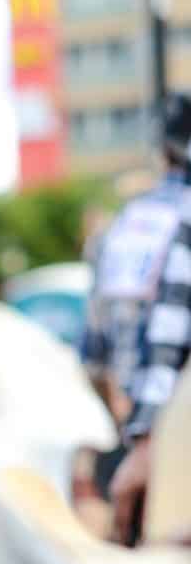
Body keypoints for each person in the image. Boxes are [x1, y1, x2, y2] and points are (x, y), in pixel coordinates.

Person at [81, 95, 191, 428]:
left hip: (131, 417)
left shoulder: (119, 227)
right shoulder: (182, 220)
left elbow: (94, 350)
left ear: (161, 152)